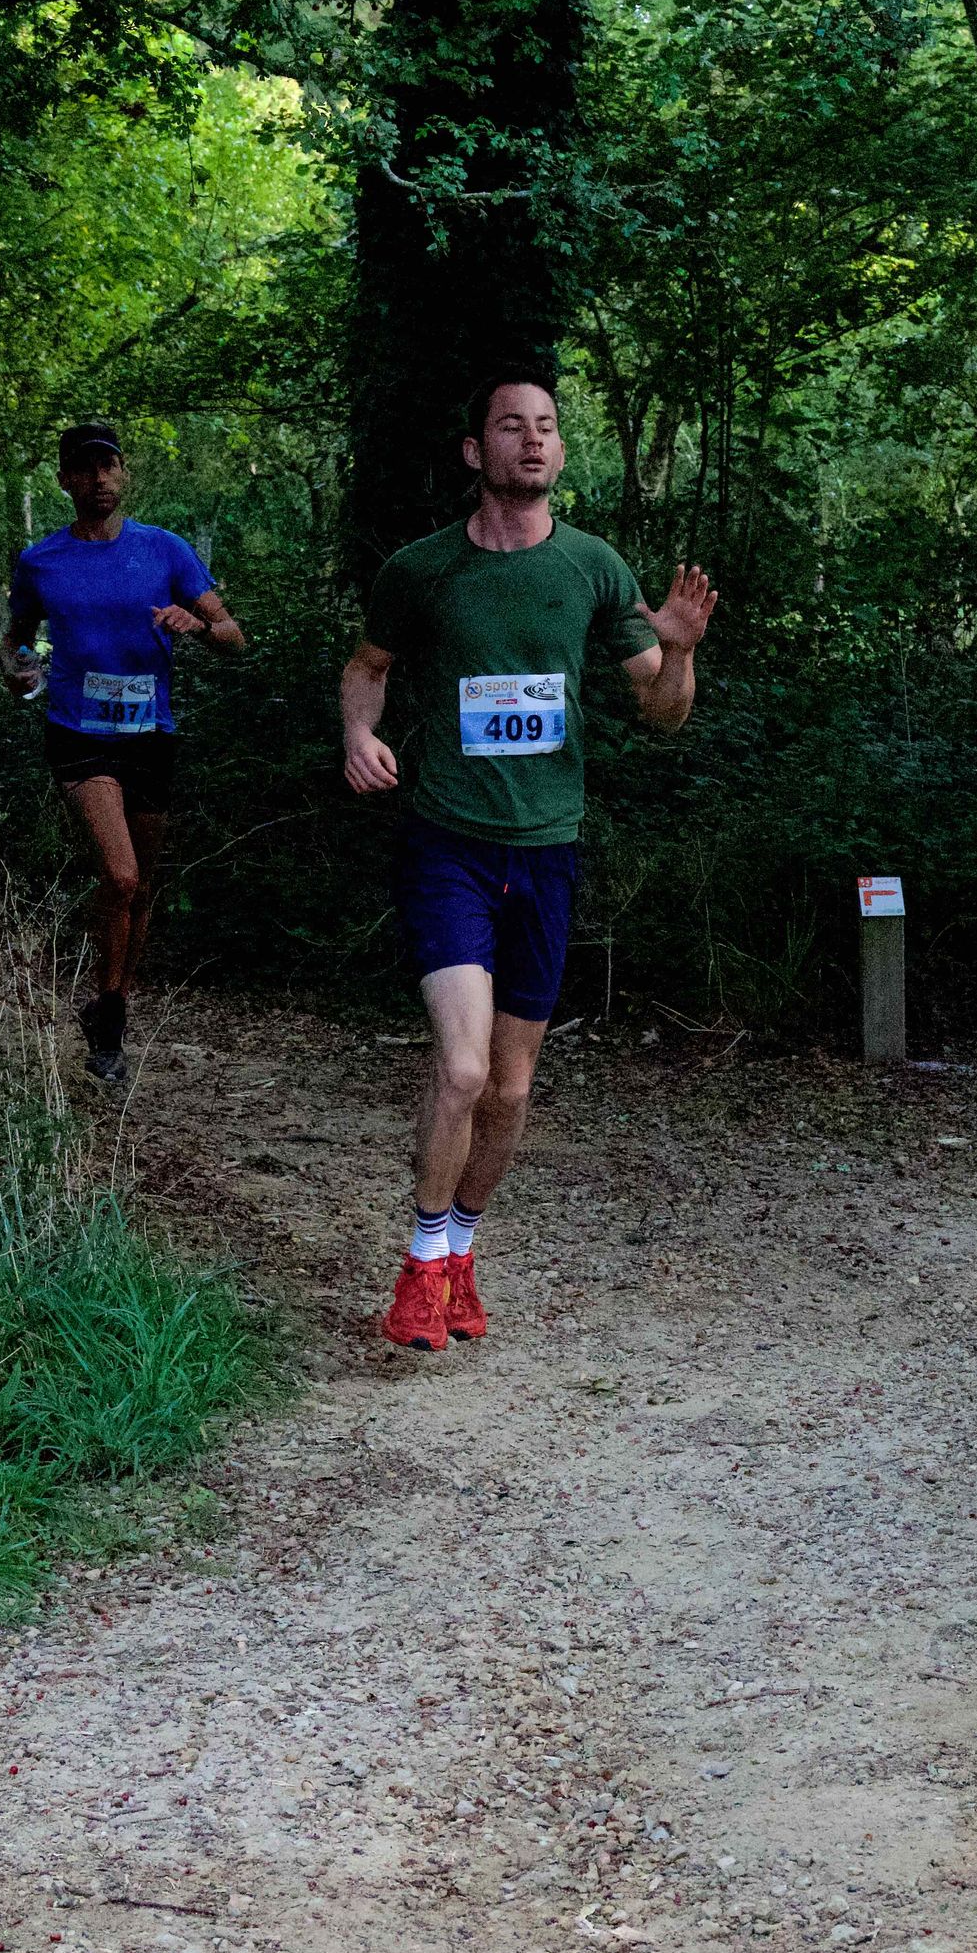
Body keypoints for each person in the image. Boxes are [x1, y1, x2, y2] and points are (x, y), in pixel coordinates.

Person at [343, 370, 715, 1351]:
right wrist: (359, 735)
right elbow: (368, 667)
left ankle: (461, 1252)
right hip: (448, 844)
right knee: (463, 1069)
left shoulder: (592, 566)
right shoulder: (421, 570)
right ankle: (421, 1268)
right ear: (478, 451)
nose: (534, 439)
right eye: (512, 425)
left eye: (547, 425)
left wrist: (679, 652)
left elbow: (661, 711)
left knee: (510, 1090)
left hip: (547, 852)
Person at [2, 422, 244, 1082]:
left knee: (141, 890)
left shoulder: (164, 550)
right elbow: (15, 640)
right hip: (78, 734)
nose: (99, 479)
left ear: (123, 473)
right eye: (85, 469)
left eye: (108, 466)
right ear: (65, 481)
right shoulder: (42, 561)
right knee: (122, 874)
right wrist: (18, 668)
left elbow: (233, 635)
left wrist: (198, 625)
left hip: (149, 734)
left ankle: (111, 1004)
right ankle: (108, 1023)